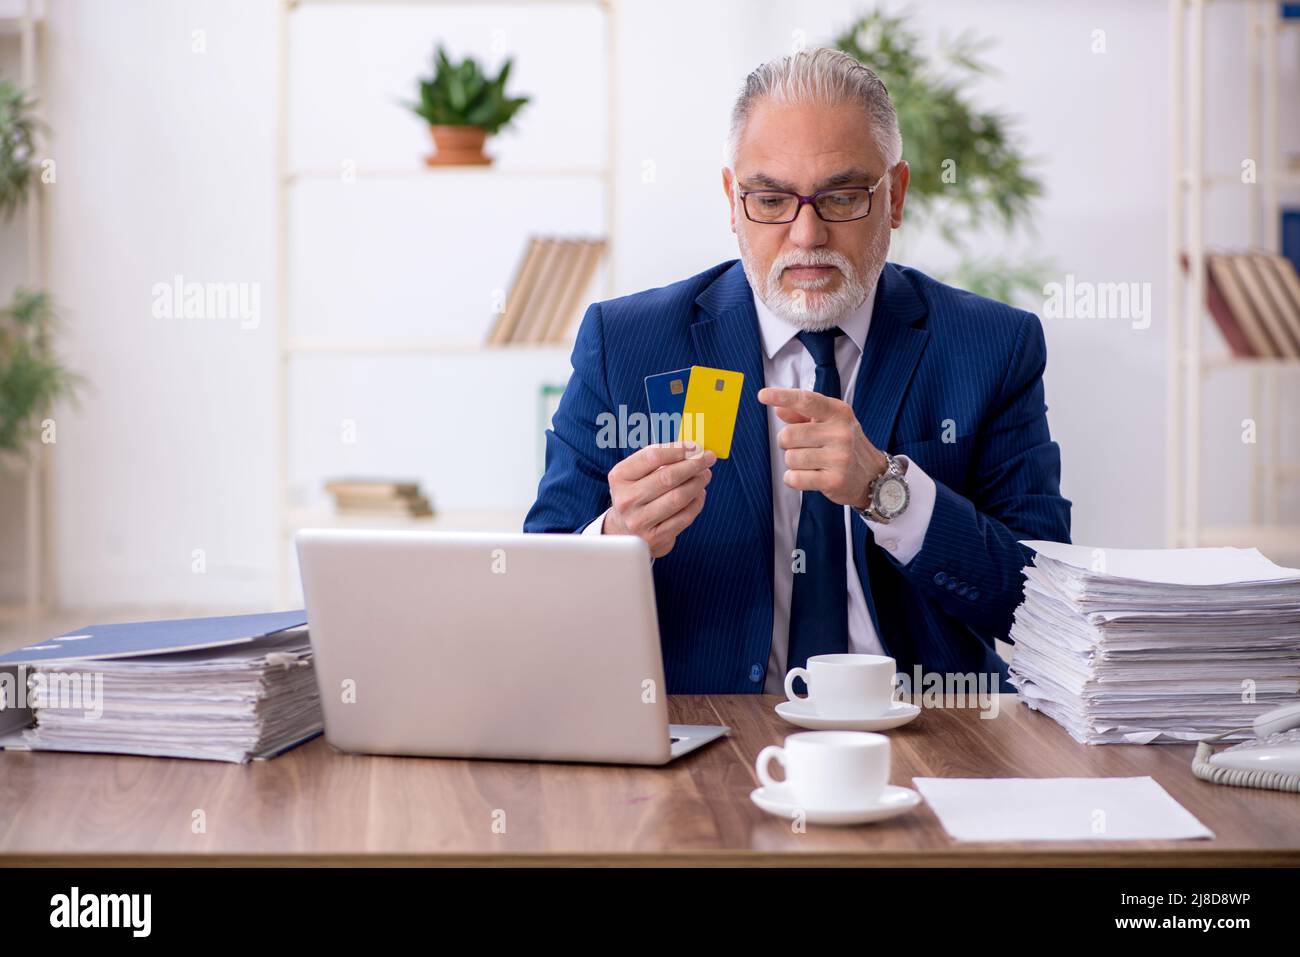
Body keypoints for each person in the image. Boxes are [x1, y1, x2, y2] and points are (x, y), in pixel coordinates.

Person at [524, 48, 1071, 695]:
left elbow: (1044, 610)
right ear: (733, 200)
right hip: (709, 739)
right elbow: (538, 595)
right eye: (771, 198)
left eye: (841, 196)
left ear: (894, 196)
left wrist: (888, 492)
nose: (806, 234)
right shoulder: (628, 342)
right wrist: (615, 539)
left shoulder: (990, 346)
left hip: (931, 733)